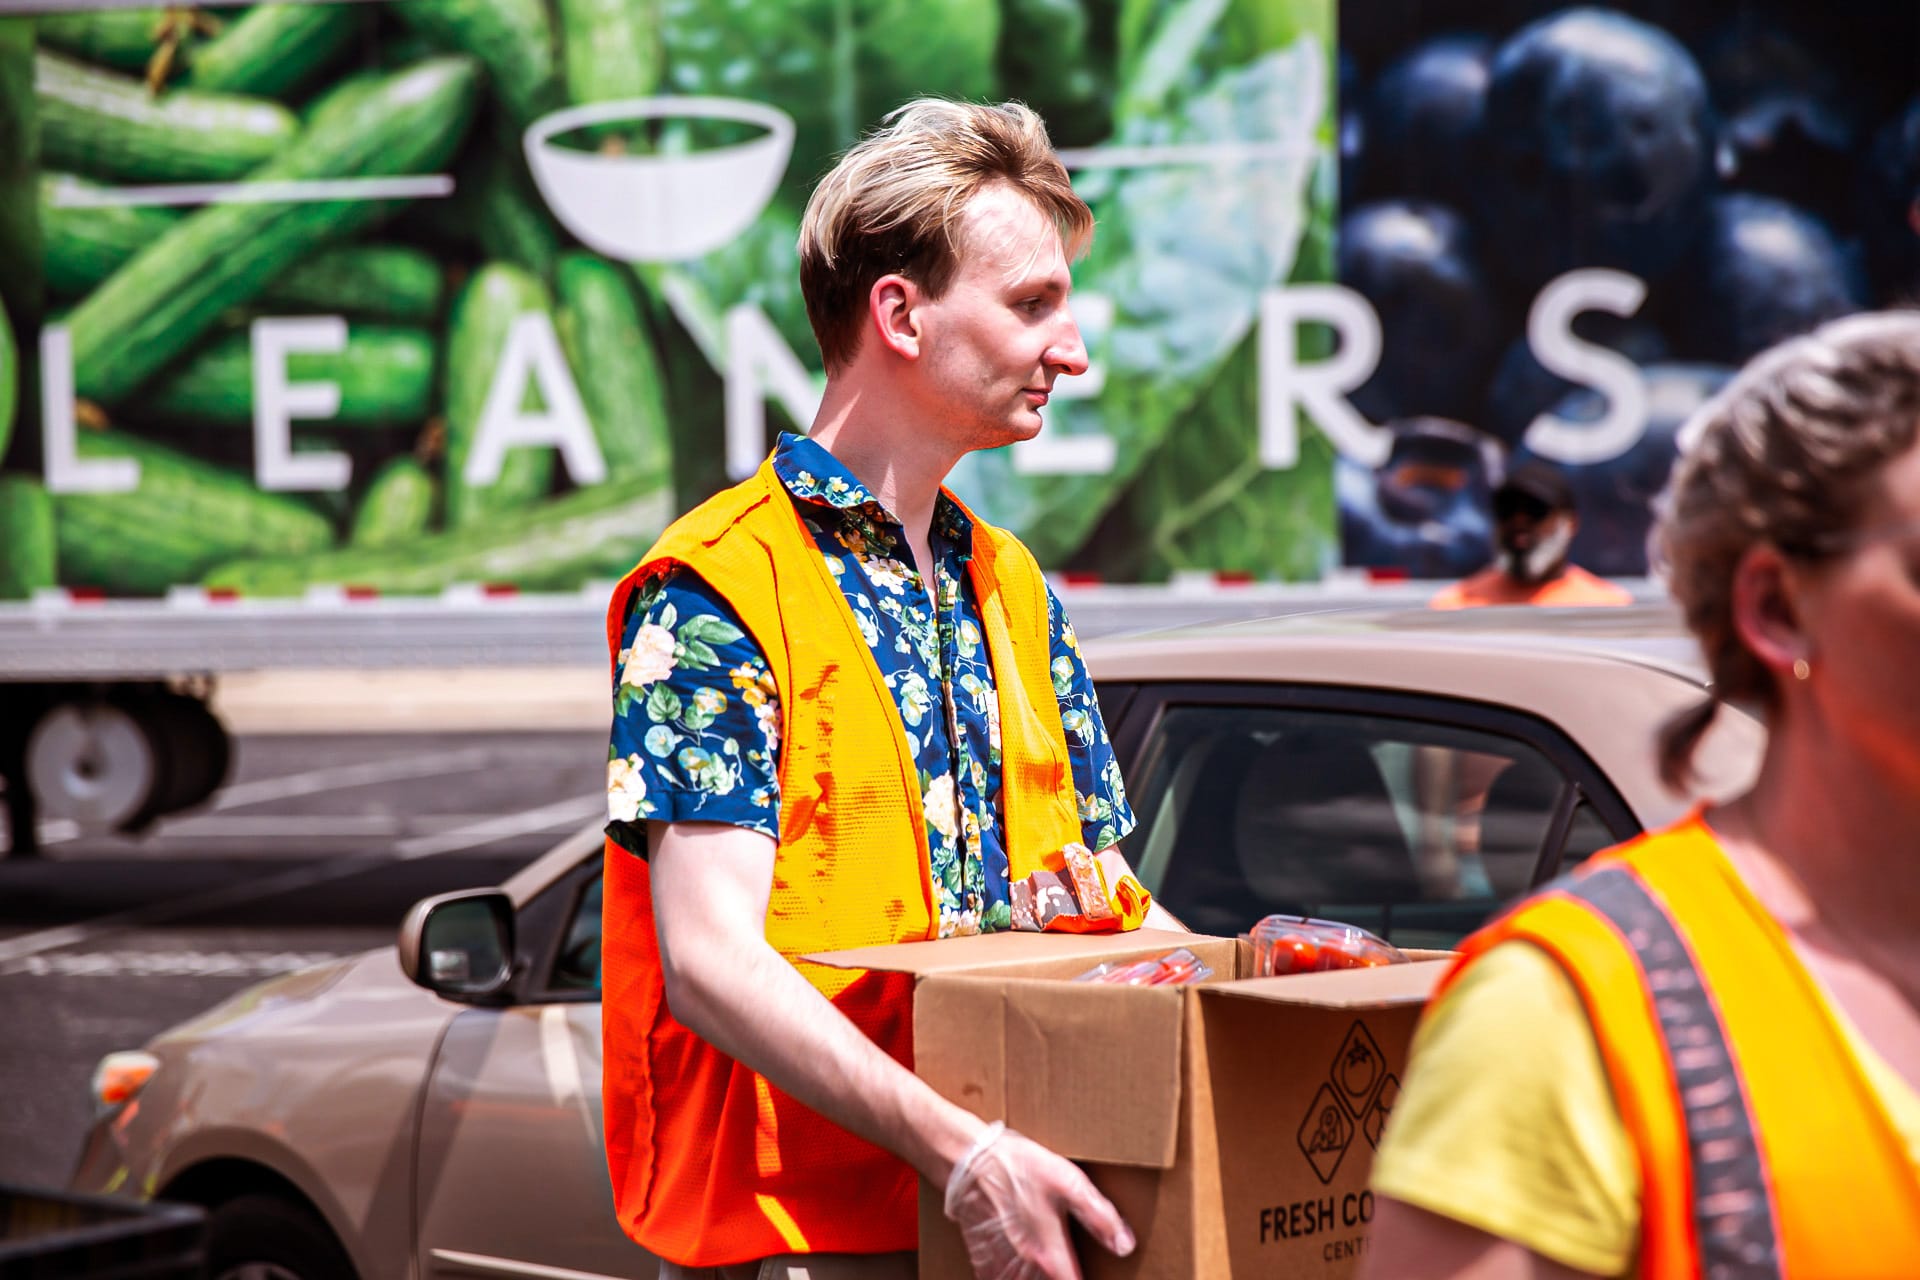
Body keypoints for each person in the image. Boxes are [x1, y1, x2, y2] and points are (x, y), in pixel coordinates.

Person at [599, 100, 1177, 1280]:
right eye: (1032, 304)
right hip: (808, 1240)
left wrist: (1276, 985)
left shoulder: (1009, 585)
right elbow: (710, 962)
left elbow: (1110, 905)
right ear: (900, 314)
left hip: (1007, 1207)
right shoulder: (718, 587)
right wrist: (965, 1157)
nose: (1072, 351)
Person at [1363, 311, 1920, 1279]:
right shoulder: (1565, 1013)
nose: (1523, 535)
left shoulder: (1590, 603)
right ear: (1777, 608)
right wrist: (1448, 852)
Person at [1427, 459, 1633, 608]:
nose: (1519, 521)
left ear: (1570, 523)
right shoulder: (1456, 606)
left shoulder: (1607, 608)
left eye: (1536, 510)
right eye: (1507, 510)